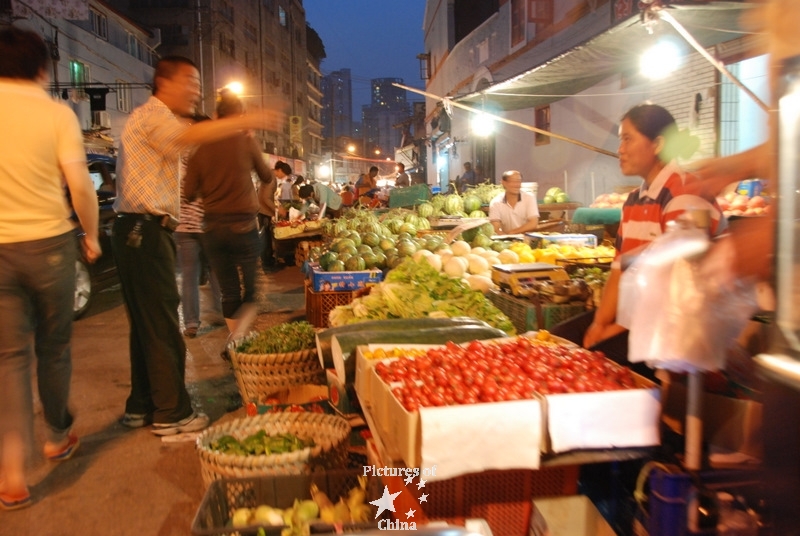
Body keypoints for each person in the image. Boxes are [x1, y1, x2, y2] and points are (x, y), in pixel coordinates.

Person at [112, 55, 283, 436]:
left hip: (140, 230)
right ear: (164, 82)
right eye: (189, 80)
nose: (195, 90)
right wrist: (245, 122)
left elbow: (190, 167)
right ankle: (171, 413)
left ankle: (141, 405)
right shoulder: (154, 115)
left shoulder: (156, 120)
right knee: (160, 324)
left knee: (145, 325)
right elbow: (190, 138)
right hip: (144, 231)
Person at [0, 26, 101, 510]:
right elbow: (80, 185)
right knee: (54, 347)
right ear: (42, 67)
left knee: (9, 359)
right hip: (50, 244)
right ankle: (57, 435)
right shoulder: (55, 113)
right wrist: (92, 233)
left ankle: (13, 474)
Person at [582, 103, 725, 349]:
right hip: (647, 324)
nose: (620, 150)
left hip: (687, 332)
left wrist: (619, 330)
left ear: (658, 144)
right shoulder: (633, 202)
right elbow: (620, 268)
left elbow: (683, 284)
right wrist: (599, 323)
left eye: (628, 139)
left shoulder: (684, 194)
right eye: (620, 140)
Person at [183, 89, 275, 345]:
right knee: (252, 290)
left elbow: (188, 193)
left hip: (212, 228)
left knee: (229, 291)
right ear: (241, 116)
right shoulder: (245, 142)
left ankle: (235, 340)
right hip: (243, 226)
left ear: (215, 115)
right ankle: (239, 336)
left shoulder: (199, 149)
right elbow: (267, 176)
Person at [175, 113, 223, 338]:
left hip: (184, 224)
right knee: (215, 271)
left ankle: (191, 323)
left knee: (189, 276)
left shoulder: (180, 154)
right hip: (209, 224)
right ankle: (222, 312)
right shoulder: (212, 155)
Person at [488, 170, 540, 234]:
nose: (517, 185)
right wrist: (505, 237)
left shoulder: (529, 198)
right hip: (506, 239)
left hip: (526, 239)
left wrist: (512, 232)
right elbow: (495, 228)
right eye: (513, 181)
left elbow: (533, 223)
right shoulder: (496, 202)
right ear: (503, 182)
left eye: (519, 181)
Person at [257, 162, 279, 274]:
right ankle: (267, 263)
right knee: (265, 238)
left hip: (262, 211)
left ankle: (268, 261)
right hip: (264, 212)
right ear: (279, 170)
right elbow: (266, 198)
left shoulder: (268, 176)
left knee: (266, 237)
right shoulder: (271, 178)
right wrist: (276, 209)